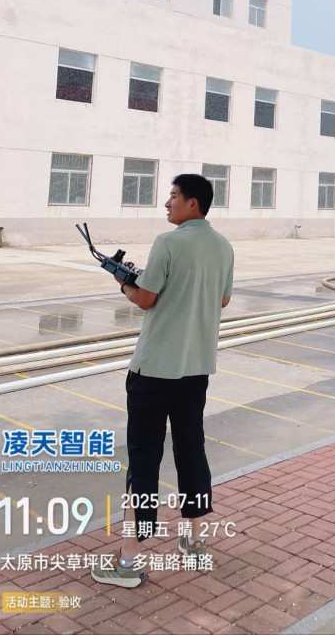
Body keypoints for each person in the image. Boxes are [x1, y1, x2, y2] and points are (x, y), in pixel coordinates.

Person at [91, 173, 233, 588]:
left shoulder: (167, 243)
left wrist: (124, 282)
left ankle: (130, 560)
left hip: (154, 372)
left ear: (193, 203)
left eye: (173, 196)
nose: (167, 203)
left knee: (144, 459)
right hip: (196, 369)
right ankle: (193, 542)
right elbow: (223, 298)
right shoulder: (223, 247)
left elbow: (146, 298)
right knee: (191, 451)